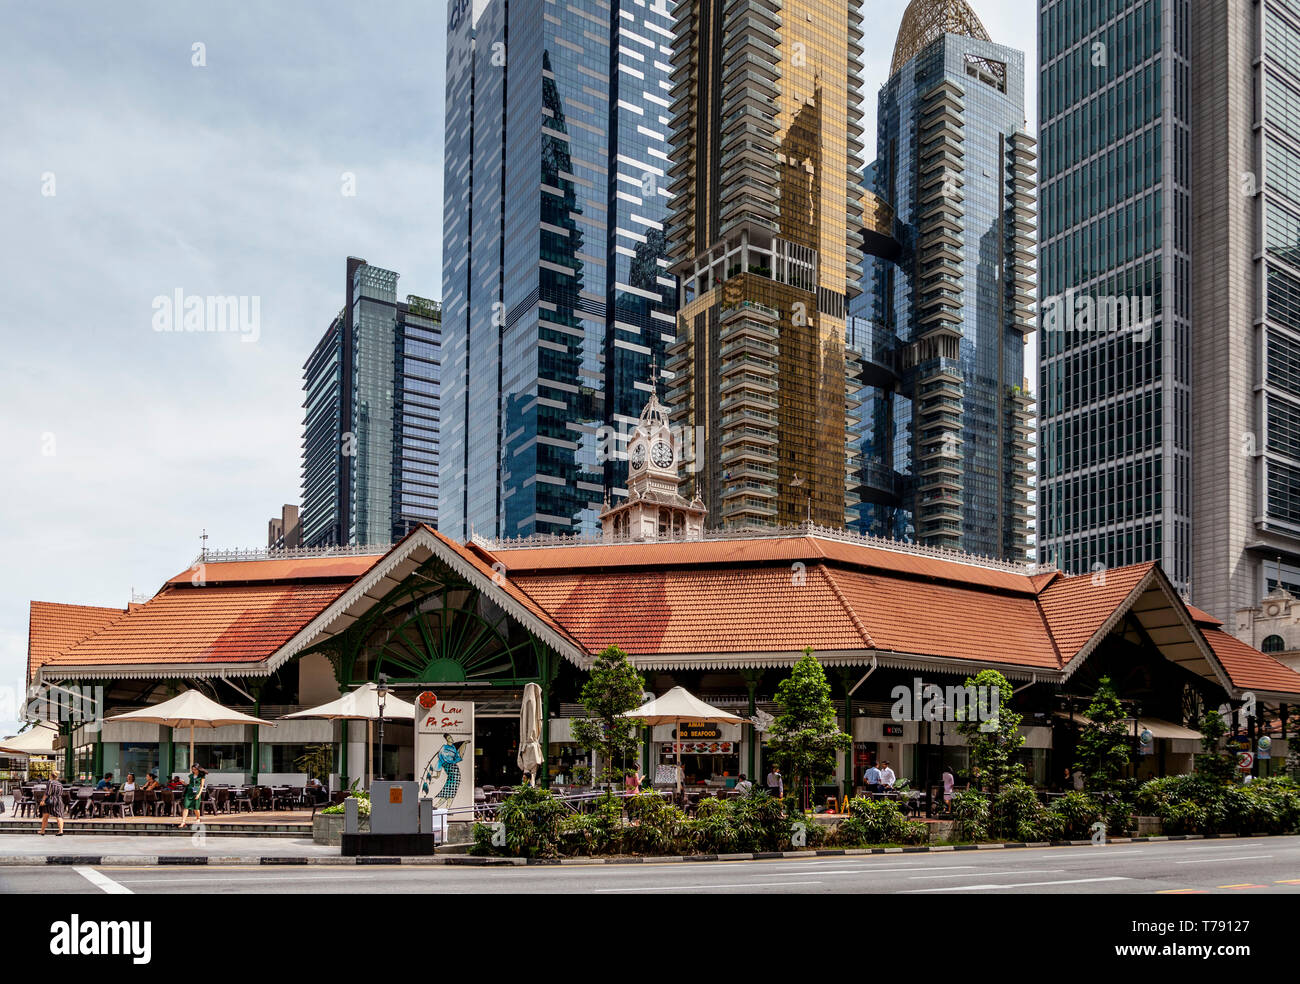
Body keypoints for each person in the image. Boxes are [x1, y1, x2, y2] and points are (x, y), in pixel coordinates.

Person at [178, 764, 206, 829]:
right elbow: (189, 784)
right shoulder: (191, 776)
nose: (194, 771)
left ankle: (198, 818)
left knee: (196, 808)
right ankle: (183, 822)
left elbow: (201, 786)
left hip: (196, 791)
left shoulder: (202, 776)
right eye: (192, 769)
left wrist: (198, 794)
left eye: (195, 769)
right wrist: (184, 783)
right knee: (186, 806)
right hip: (189, 792)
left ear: (198, 769)